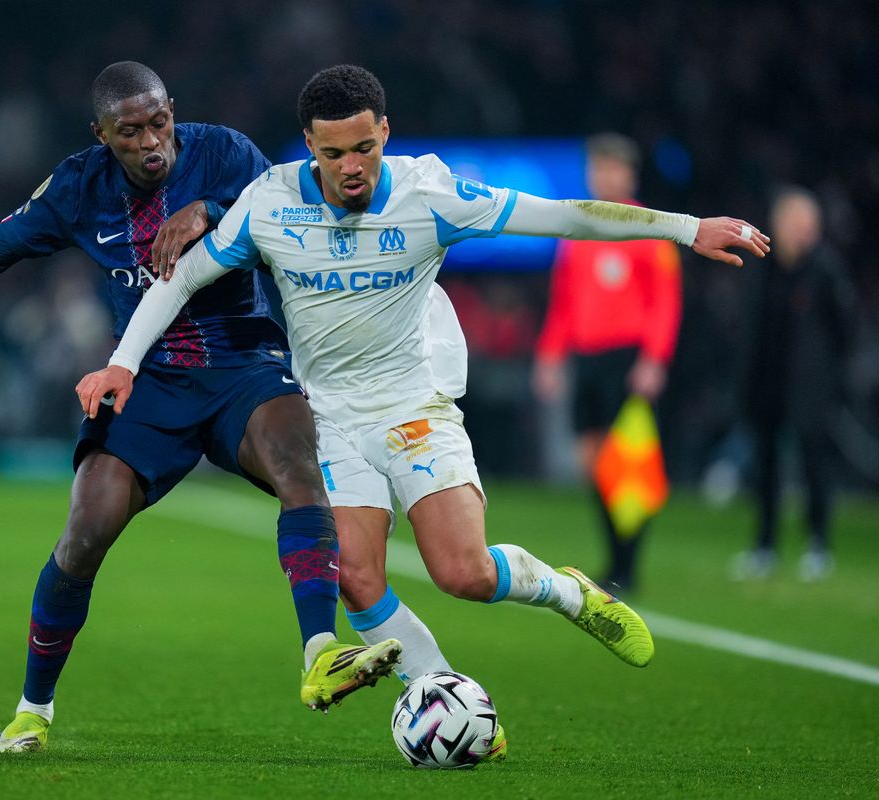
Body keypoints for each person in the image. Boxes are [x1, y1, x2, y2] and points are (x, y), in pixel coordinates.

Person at [79, 64, 770, 756]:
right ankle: (451, 706)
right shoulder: (271, 203)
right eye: (332, 153)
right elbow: (182, 279)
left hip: (415, 407)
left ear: (384, 131)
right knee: (354, 576)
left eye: (363, 148)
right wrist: (123, 363)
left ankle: (567, 591)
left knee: (462, 573)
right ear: (308, 146)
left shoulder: (430, 193)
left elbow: (563, 216)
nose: (351, 167)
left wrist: (686, 228)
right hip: (328, 418)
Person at [0, 61, 400, 754]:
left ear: (172, 113)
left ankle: (320, 655)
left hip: (245, 364)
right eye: (130, 132)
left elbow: (287, 212)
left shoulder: (226, 153)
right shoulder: (77, 187)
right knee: (85, 533)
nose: (151, 142)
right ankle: (33, 711)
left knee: (298, 465)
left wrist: (209, 209)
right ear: (101, 135)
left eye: (159, 123)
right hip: (145, 380)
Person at [532, 133, 683, 592]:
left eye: (612, 168)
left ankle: (627, 566)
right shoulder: (577, 232)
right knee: (593, 463)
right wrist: (550, 355)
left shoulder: (651, 230)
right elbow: (563, 303)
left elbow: (665, 302)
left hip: (627, 358)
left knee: (629, 464)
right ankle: (615, 559)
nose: (604, 176)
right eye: (598, 168)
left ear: (629, 174)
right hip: (587, 357)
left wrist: (654, 359)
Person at [730, 187, 854, 582]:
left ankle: (818, 545)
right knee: (765, 468)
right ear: (778, 225)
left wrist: (832, 378)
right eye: (795, 223)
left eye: (808, 225)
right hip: (767, 383)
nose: (803, 232)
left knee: (814, 465)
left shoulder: (826, 271)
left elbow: (845, 331)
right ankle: (764, 546)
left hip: (811, 389)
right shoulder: (761, 269)